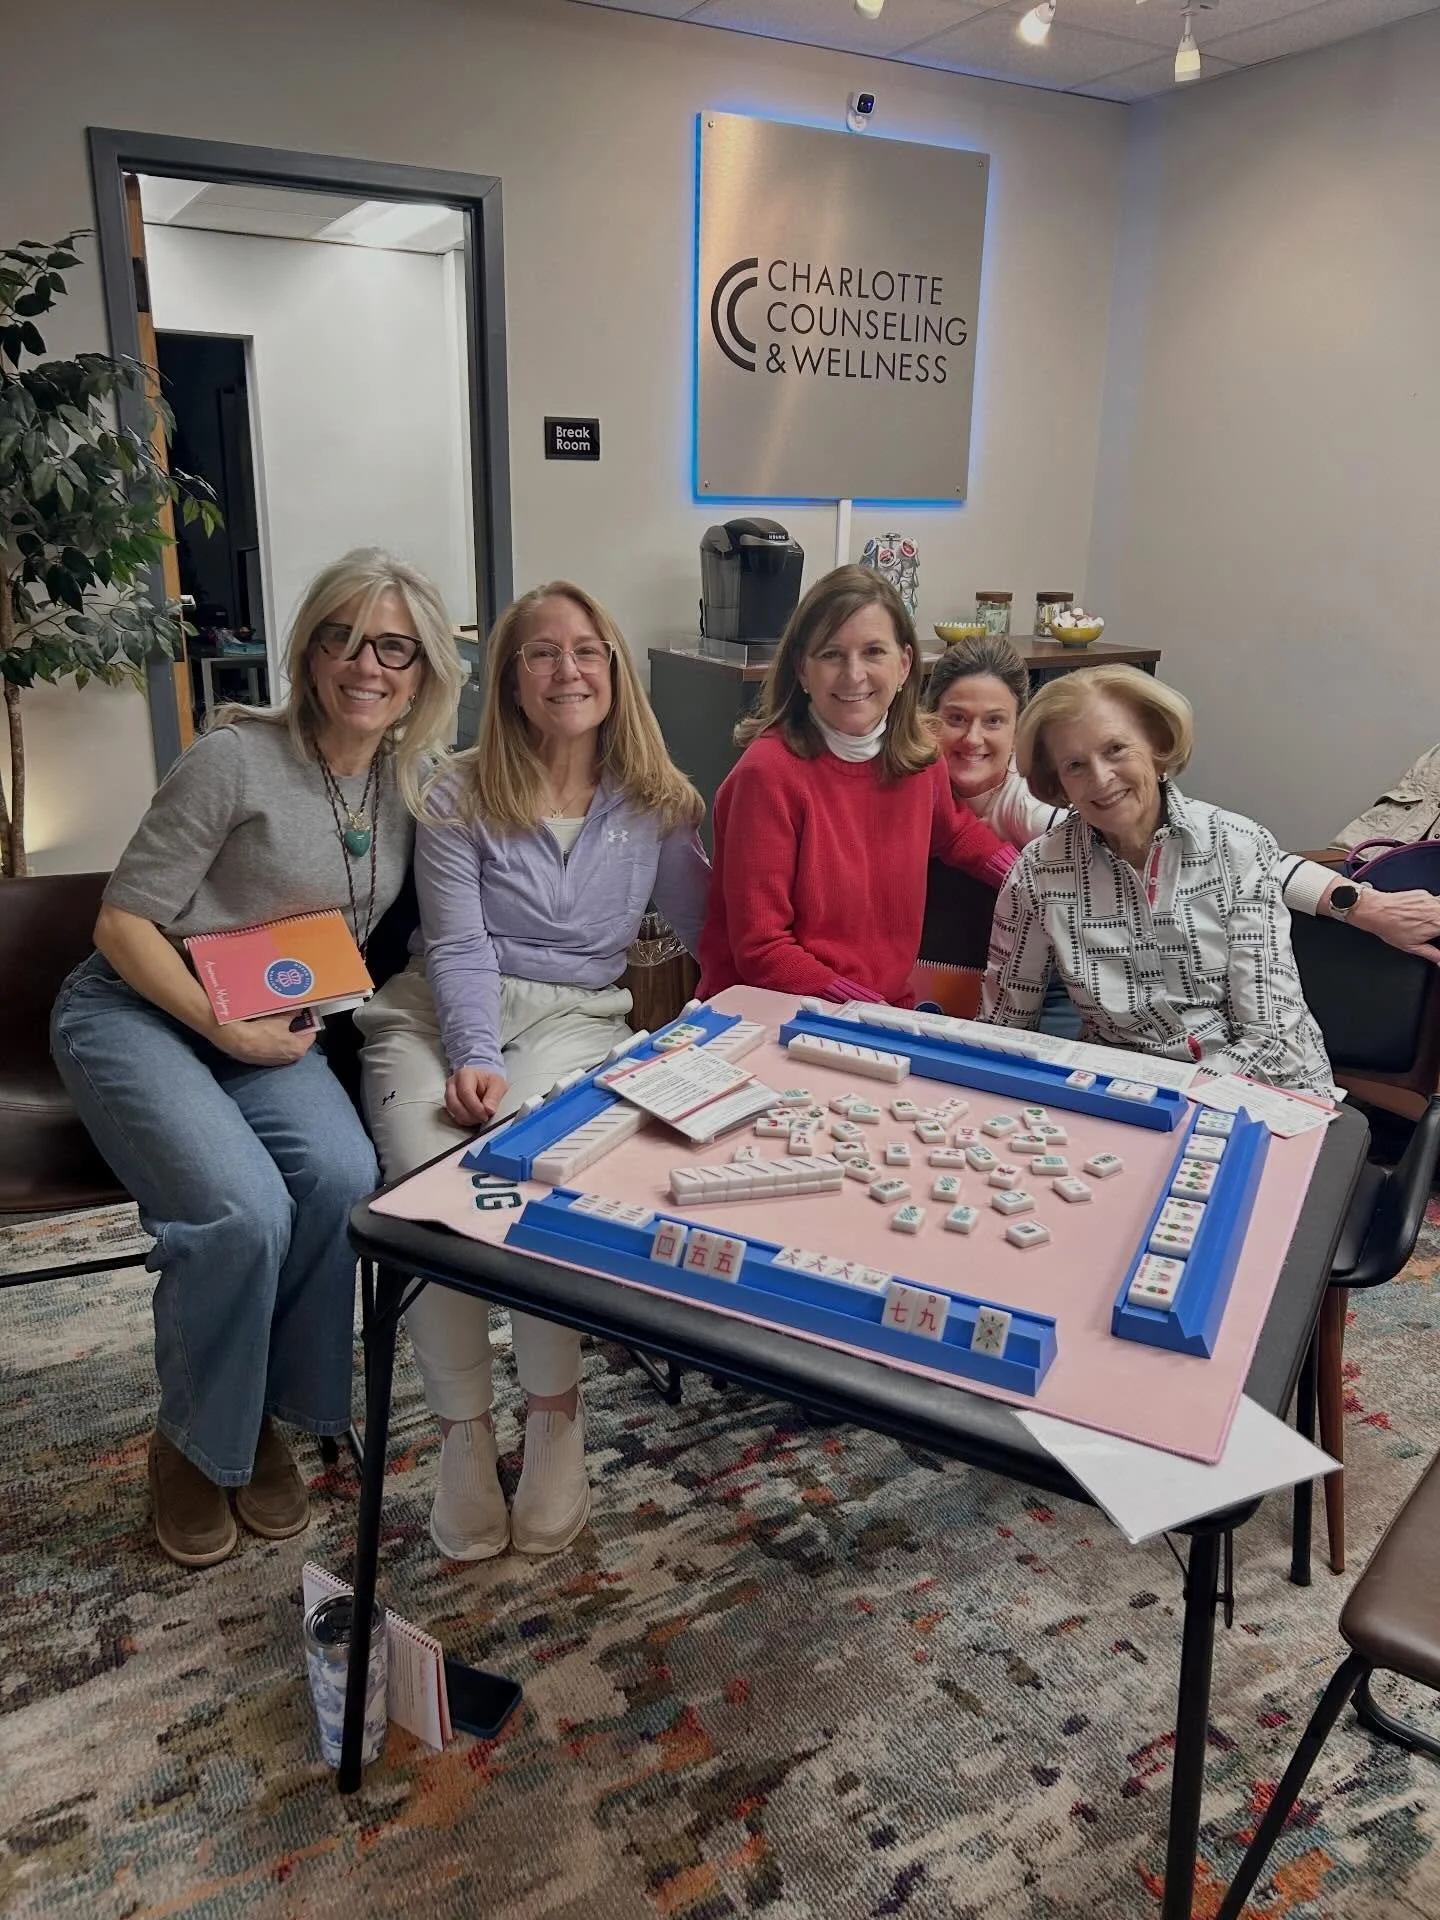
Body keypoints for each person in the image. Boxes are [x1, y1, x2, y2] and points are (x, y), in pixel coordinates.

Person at [50, 549, 465, 1568]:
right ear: (309, 651)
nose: (365, 664)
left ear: (423, 671)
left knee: (338, 1179)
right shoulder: (232, 759)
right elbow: (122, 924)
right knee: (241, 1213)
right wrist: (221, 1027)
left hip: (264, 1024)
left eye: (393, 647)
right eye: (340, 638)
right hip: (140, 1012)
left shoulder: (416, 783)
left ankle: (269, 1418)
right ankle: (193, 1446)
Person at [358, 581, 708, 1562]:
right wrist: (471, 1058)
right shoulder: (454, 790)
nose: (569, 670)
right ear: (510, 678)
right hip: (438, 1015)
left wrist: (733, 1037)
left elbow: (713, 932)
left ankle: (554, 1418)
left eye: (588, 650)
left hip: (574, 1022)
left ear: (616, 670)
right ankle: (464, 1434)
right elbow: (459, 948)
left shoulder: (659, 804)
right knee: (432, 1196)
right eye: (543, 653)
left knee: (539, 1188)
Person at [926, 635, 1440, 980]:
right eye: (955, 718)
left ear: (1020, 730)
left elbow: (1234, 851)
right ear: (927, 721)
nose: (973, 738)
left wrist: (1361, 904)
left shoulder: (1030, 806)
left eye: (994, 721)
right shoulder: (911, 786)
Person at [983, 665, 1340, 1093]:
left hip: (1267, 1091)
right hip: (1120, 1097)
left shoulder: (1238, 847)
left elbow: (1272, 1040)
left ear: (1157, 745)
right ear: (1057, 781)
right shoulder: (1039, 872)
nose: (1100, 778)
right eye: (1075, 765)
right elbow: (1005, 1025)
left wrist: (1167, 1093)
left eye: (1116, 749)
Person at [697, 566, 1016, 1008]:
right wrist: (866, 1013)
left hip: (877, 1008)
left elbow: (956, 832)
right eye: (831, 654)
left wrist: (1028, 881)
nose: (853, 674)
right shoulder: (767, 775)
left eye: (873, 651)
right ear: (802, 670)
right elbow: (762, 949)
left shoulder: (919, 757)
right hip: (772, 1010)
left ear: (904, 664)